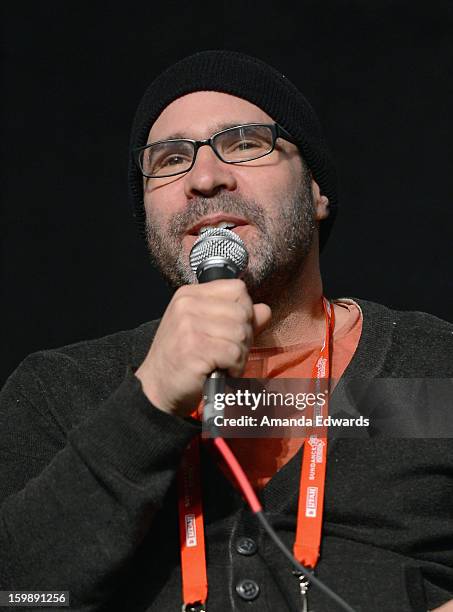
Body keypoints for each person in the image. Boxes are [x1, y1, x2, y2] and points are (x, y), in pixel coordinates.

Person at [0, 50, 452, 612]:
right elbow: (17, 593)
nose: (205, 178)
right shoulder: (60, 392)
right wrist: (151, 402)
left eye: (243, 143)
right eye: (169, 159)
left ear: (316, 193)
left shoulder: (438, 370)